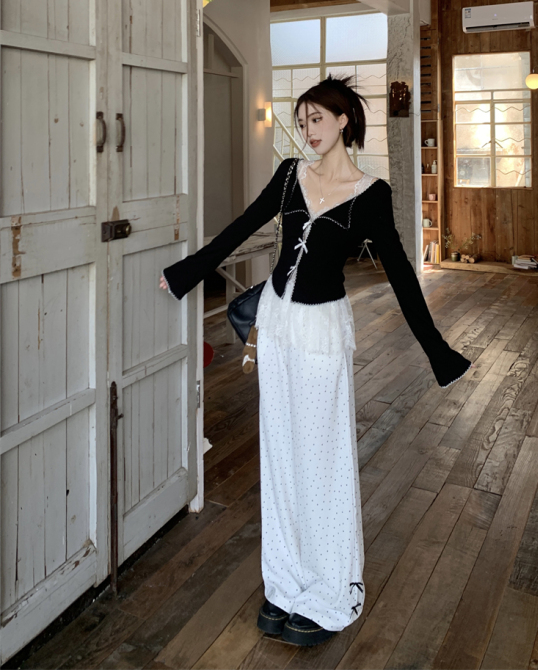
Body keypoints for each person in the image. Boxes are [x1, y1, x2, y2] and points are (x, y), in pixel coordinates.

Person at [159, 74, 473, 647]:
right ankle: (284, 585)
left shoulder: (371, 195)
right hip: (276, 323)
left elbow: (402, 275)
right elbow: (240, 228)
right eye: (302, 122)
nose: (308, 131)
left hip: (322, 333)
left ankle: (330, 591)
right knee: (280, 457)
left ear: (343, 120)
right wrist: (187, 274)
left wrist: (438, 352)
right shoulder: (288, 176)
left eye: (317, 120)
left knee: (322, 463)